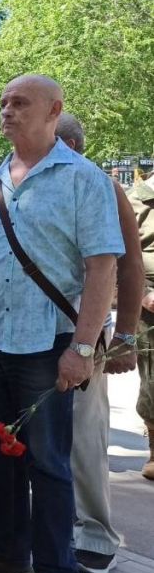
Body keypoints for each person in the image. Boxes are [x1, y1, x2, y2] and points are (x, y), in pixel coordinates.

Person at [0, 75, 124, 573]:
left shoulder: (83, 179)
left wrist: (83, 347)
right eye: (2, 103)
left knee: (48, 462)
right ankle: (3, 548)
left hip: (47, 347)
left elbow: (102, 269)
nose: (6, 112)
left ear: (54, 110)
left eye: (19, 103)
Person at [54, 112, 143, 573]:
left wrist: (125, 336)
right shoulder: (19, 181)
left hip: (82, 331)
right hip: (28, 333)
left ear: (68, 144)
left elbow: (127, 265)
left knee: (85, 434)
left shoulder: (101, 186)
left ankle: (94, 532)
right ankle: (55, 519)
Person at [125, 163, 154, 481]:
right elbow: (122, 256)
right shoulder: (134, 200)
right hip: (150, 307)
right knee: (153, 381)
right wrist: (145, 293)